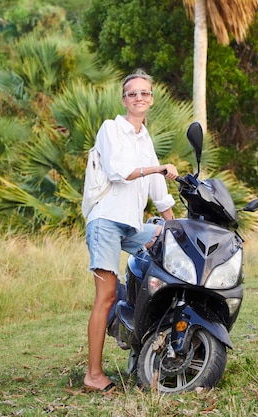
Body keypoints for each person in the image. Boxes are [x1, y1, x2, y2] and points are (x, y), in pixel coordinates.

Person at [83, 69, 179, 392]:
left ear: (151, 99)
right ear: (124, 100)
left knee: (160, 238)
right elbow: (119, 171)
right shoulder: (112, 129)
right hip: (105, 220)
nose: (139, 98)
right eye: (133, 93)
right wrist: (159, 167)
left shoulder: (144, 138)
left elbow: (157, 189)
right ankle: (93, 375)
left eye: (145, 93)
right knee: (105, 296)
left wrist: (176, 225)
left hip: (131, 226)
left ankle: (140, 339)